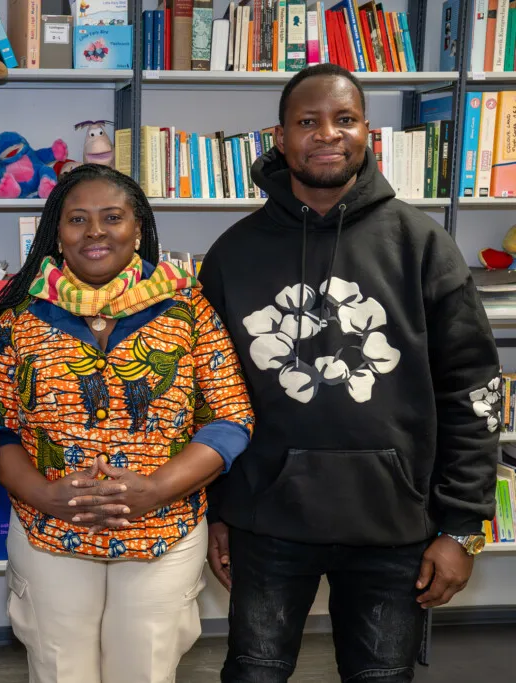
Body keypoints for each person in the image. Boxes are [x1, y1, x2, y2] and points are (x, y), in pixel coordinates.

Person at [199, 64, 499, 683]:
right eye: (307, 122)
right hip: (267, 521)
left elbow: (473, 391)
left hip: (395, 524)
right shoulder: (233, 253)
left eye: (345, 120)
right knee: (253, 674)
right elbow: (209, 396)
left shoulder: (422, 245)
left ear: (367, 131)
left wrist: (462, 527)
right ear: (280, 137)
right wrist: (217, 511)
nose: (327, 135)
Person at [0, 164, 255, 683]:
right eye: (77, 219)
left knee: (144, 671)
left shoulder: (187, 308)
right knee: (61, 672)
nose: (95, 231)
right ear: (57, 233)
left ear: (138, 229)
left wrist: (155, 490)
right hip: (50, 532)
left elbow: (230, 418)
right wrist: (45, 496)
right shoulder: (18, 318)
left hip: (163, 531)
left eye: (112, 217)